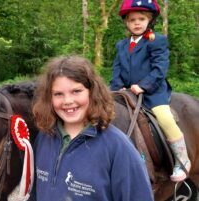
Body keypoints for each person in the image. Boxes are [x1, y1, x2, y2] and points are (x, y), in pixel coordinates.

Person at [29, 55, 153, 201]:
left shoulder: (119, 147)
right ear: (49, 98)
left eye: (76, 91)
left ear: (92, 92)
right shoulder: (44, 138)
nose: (68, 101)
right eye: (58, 94)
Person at [110, 0, 191, 182]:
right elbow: (116, 70)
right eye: (132, 20)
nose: (137, 23)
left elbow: (159, 69)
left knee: (164, 118)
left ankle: (182, 159)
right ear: (126, 23)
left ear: (149, 20)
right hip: (126, 92)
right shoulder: (121, 45)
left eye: (141, 19)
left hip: (152, 91)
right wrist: (117, 87)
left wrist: (143, 86)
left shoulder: (157, 41)